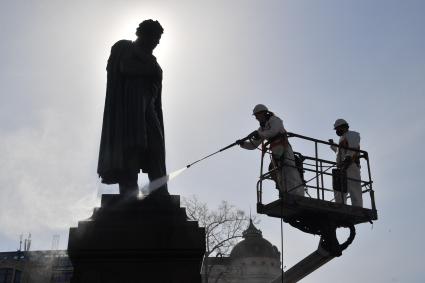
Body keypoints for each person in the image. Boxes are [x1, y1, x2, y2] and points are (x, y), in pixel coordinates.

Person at [97, 20, 168, 198]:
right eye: (155, 37)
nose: (157, 42)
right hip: (128, 107)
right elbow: (124, 67)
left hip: (148, 107)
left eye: (159, 38)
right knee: (131, 146)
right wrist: (150, 69)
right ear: (143, 34)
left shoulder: (153, 60)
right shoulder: (125, 47)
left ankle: (159, 191)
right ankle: (129, 192)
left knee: (156, 148)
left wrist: (152, 69)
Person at [236, 104, 304, 197]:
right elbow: (254, 145)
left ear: (263, 113)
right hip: (276, 152)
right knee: (277, 172)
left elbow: (273, 131)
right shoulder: (262, 128)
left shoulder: (275, 120)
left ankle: (297, 194)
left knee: (289, 171)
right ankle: (284, 194)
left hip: (284, 149)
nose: (256, 118)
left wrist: (259, 134)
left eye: (257, 115)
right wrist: (243, 143)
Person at [329, 119, 362, 207]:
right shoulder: (342, 139)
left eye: (337, 129)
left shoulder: (352, 134)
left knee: (354, 187)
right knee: (339, 188)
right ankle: (340, 205)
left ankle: (357, 207)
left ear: (344, 127)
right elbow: (339, 152)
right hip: (342, 167)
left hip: (351, 165)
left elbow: (353, 147)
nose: (337, 131)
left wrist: (348, 157)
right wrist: (332, 145)